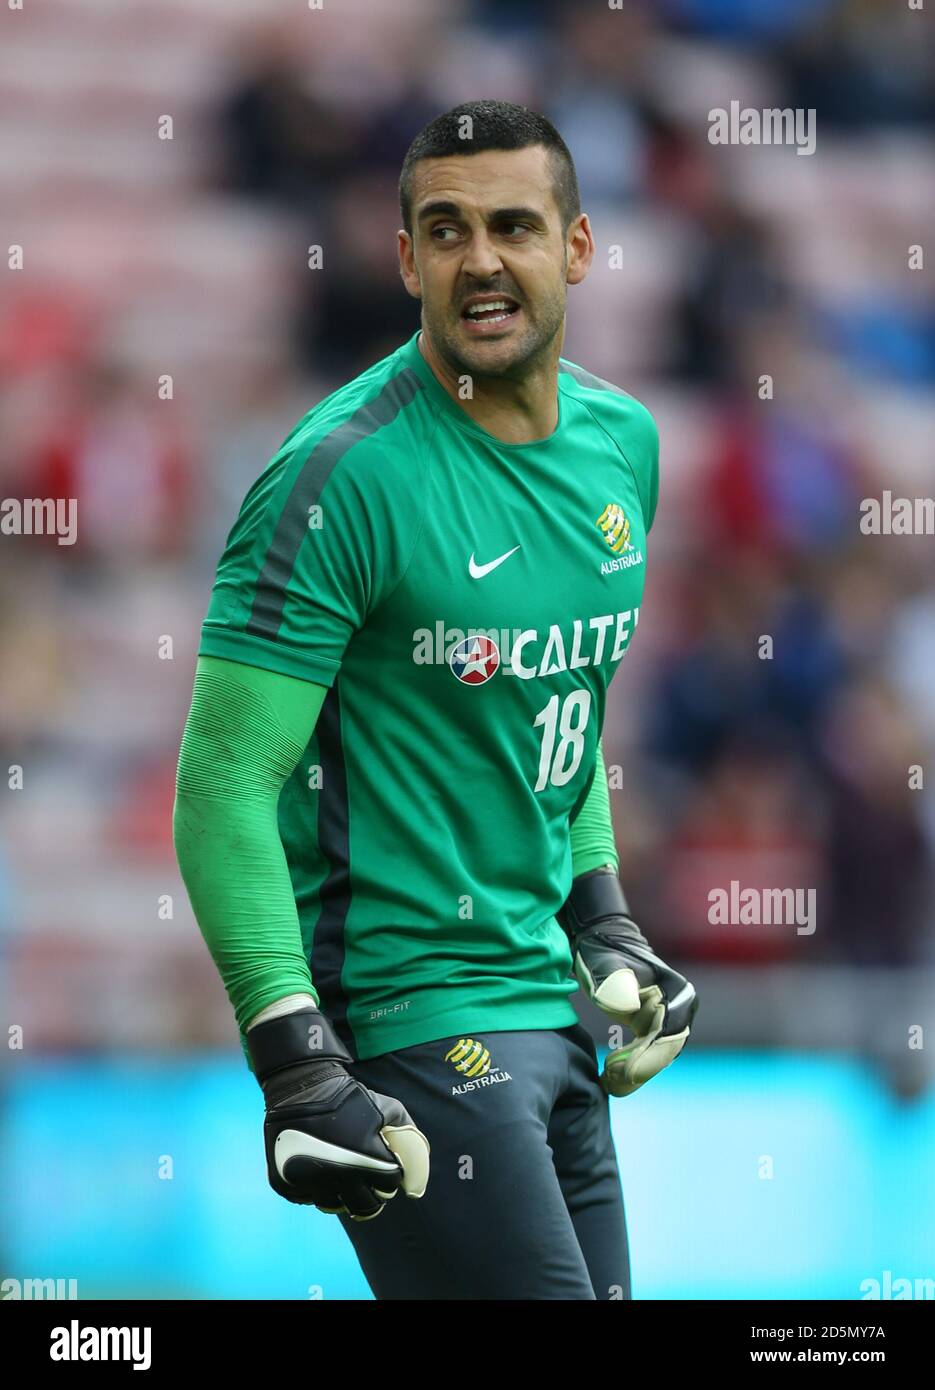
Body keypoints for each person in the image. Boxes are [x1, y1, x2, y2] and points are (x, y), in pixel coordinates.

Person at [173, 99, 697, 1301]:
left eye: (513, 226)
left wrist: (603, 917)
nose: (481, 261)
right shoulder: (337, 479)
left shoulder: (625, 446)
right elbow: (219, 787)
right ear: (406, 258)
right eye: (445, 230)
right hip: (408, 1027)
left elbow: (555, 724)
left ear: (575, 245)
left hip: (550, 1009)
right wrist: (294, 1060)